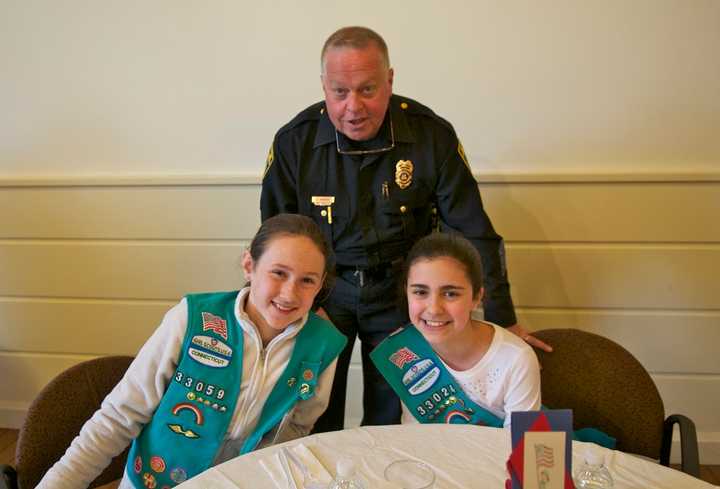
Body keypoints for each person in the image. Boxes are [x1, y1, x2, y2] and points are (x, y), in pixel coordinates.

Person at [260, 26, 550, 432]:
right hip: (326, 293)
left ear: (390, 81)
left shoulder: (431, 136)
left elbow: (473, 230)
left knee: (390, 416)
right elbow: (275, 237)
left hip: (399, 295)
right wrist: (293, 305)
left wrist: (502, 318)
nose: (353, 107)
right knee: (313, 411)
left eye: (368, 90)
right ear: (323, 86)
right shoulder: (295, 141)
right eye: (339, 92)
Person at [37, 214, 347, 489]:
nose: (290, 293)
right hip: (155, 480)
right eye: (278, 273)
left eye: (307, 280)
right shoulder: (193, 317)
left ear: (320, 286)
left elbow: (296, 429)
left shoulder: (324, 345)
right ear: (249, 266)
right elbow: (118, 417)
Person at [370, 232, 541, 428]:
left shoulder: (516, 358)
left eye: (450, 294)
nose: (434, 309)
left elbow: (523, 451)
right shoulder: (404, 351)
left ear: (477, 297)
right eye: (420, 292)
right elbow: (416, 439)